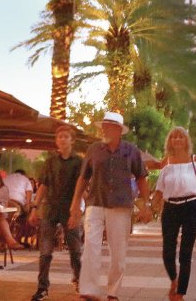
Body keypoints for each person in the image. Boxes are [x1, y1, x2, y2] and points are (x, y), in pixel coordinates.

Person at [69, 111, 150, 301]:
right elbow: (83, 177)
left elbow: (141, 177)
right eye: (103, 126)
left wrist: (146, 205)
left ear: (119, 130)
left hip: (121, 206)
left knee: (118, 251)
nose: (104, 129)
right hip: (95, 203)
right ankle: (88, 290)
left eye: (108, 126)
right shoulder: (94, 149)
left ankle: (113, 291)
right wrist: (75, 204)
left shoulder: (131, 150)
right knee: (91, 246)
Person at [151, 127, 196, 301]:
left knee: (186, 253)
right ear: (169, 141)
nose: (177, 139)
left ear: (186, 141)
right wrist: (149, 207)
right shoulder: (166, 162)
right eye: (173, 137)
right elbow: (159, 190)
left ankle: (180, 294)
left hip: (191, 207)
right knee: (167, 252)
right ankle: (173, 279)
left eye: (181, 137)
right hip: (170, 209)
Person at [29, 124, 84, 301]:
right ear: (56, 141)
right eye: (59, 137)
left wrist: (78, 211)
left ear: (72, 141)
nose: (62, 139)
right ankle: (42, 288)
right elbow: (43, 185)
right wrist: (34, 207)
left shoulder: (78, 162)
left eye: (66, 136)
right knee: (45, 252)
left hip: (70, 209)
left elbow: (81, 187)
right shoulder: (50, 161)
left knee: (75, 249)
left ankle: (79, 279)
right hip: (49, 209)